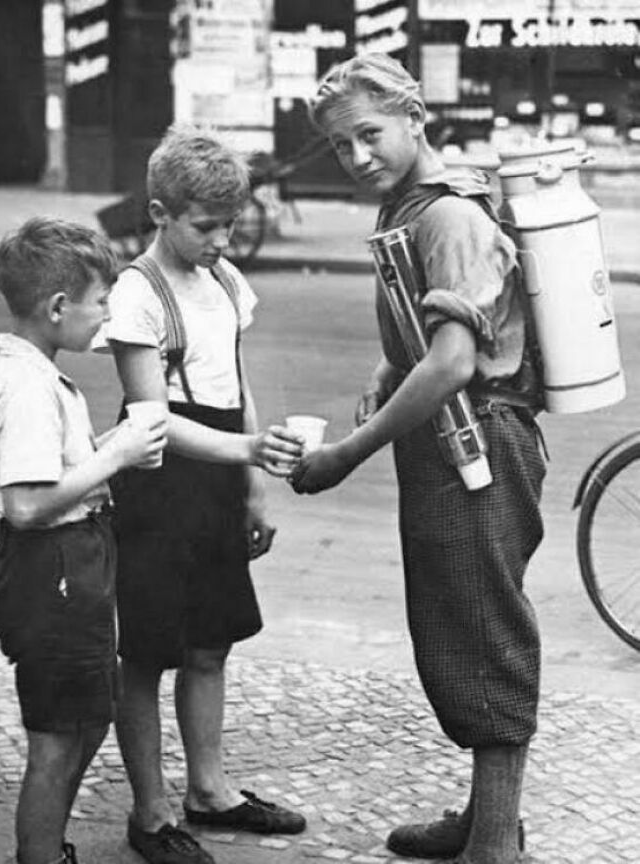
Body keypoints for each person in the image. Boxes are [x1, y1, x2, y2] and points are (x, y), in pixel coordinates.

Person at [292, 54, 546, 864]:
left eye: (370, 134)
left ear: (415, 117)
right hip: (448, 443)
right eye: (340, 146)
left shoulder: (448, 217)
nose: (358, 155)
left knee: (485, 632)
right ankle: (488, 819)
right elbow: (422, 337)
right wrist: (383, 370)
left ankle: (493, 849)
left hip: (479, 445)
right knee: (457, 623)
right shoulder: (409, 208)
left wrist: (346, 455)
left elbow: (452, 363)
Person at [94, 125, 306, 864]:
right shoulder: (135, 294)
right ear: (158, 212)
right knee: (150, 649)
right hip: (156, 478)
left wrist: (251, 487)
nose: (222, 239)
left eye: (231, 225)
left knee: (211, 641)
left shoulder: (222, 281)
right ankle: (151, 812)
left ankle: (209, 791)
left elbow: (237, 383)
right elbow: (150, 419)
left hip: (217, 473)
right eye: (206, 225)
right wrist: (245, 450)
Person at [0, 217, 168, 864]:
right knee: (58, 737)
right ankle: (41, 853)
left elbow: (49, 470)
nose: (106, 316)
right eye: (100, 301)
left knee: (88, 714)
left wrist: (114, 446)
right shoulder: (26, 387)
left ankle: (47, 845)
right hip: (52, 570)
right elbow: (27, 503)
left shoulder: (33, 373)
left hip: (66, 565)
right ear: (58, 307)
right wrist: (116, 461)